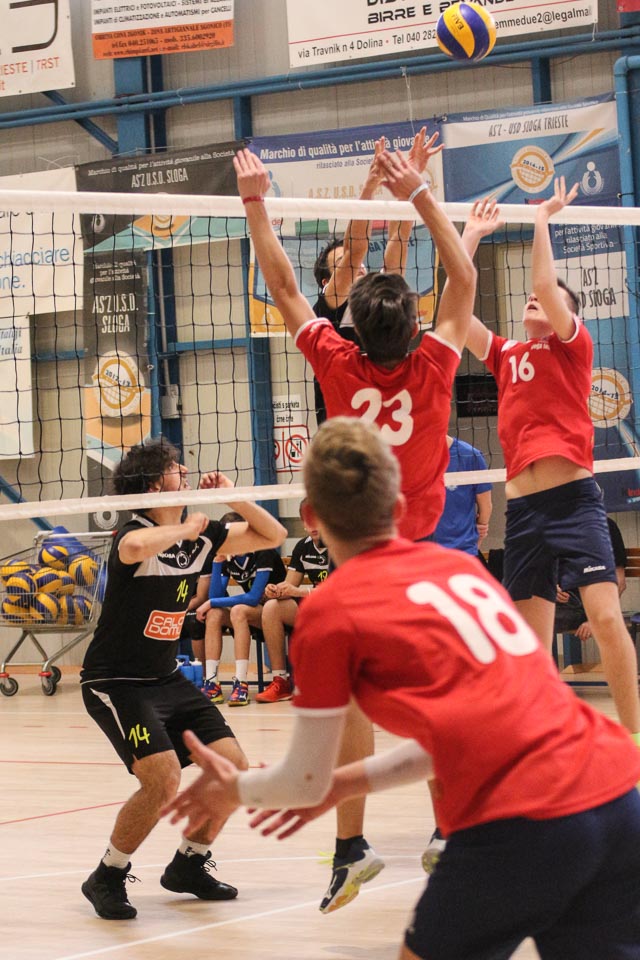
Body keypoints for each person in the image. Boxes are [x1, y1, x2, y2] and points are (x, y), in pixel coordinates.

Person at [163, 417, 640, 960]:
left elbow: (304, 780)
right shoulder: (462, 571)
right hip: (615, 794)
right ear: (399, 507)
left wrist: (236, 789)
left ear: (310, 518)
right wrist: (345, 784)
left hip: (522, 818)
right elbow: (464, 736)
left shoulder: (329, 611)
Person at [234, 142, 476, 912]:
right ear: (415, 327)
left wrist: (254, 202)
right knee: (439, 699)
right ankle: (447, 833)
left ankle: (351, 847)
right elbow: (464, 280)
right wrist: (421, 193)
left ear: (358, 331)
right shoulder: (436, 366)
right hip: (426, 553)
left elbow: (281, 284)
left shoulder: (337, 362)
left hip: (360, 561)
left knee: (352, 702)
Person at [80, 438, 286, 920]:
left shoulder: (202, 536)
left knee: (232, 767)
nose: (186, 470)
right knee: (163, 778)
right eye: (176, 467)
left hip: (167, 678)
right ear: (155, 486)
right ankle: (107, 875)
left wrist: (233, 498)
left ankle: (189, 864)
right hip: (116, 682)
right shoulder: (135, 532)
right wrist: (184, 529)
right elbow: (133, 548)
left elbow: (273, 534)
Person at [464, 185, 640, 744]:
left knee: (605, 619)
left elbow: (544, 283)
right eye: (532, 300)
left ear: (569, 315)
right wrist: (470, 238)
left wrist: (541, 218)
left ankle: (632, 743)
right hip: (524, 514)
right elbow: (455, 315)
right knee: (531, 644)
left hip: (573, 504)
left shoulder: (573, 348)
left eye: (549, 299)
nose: (535, 300)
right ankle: (540, 747)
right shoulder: (504, 354)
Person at [312, 129, 443, 425]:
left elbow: (399, 236)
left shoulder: (381, 302)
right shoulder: (328, 310)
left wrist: (411, 181)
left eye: (359, 267)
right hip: (342, 436)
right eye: (342, 265)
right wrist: (370, 186)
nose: (359, 268)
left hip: (389, 427)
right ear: (326, 283)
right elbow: (355, 250)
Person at [194, 513, 286, 707]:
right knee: (214, 614)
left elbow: (253, 597)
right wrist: (217, 563)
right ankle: (211, 682)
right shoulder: (228, 556)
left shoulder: (262, 550)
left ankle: (241, 683)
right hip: (252, 613)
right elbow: (215, 595)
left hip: (276, 611)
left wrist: (211, 602)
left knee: (238, 610)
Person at [255, 498, 329, 704]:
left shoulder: (340, 543)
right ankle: (281, 681)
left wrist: (300, 591)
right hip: (312, 609)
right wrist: (276, 590)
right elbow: (290, 585)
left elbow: (341, 591)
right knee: (272, 607)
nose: (312, 525)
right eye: (308, 520)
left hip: (339, 610)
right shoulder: (302, 547)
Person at [555, 516, 627, 641]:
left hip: (590, 607)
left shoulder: (606, 526)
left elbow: (620, 583)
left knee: (529, 622)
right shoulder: (558, 528)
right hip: (561, 603)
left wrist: (596, 619)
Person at [432, 435, 492, 557]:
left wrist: (478, 537)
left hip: (462, 550)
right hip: (426, 551)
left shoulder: (470, 455)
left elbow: (486, 506)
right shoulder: (414, 457)